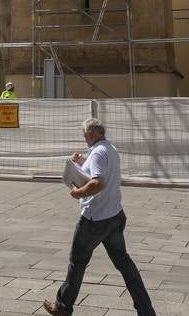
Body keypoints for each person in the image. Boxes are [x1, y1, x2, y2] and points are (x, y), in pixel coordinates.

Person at [44, 118, 156, 316]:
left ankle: (62, 307)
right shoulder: (110, 149)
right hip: (114, 215)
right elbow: (99, 171)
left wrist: (77, 193)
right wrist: (81, 163)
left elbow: (97, 183)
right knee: (124, 263)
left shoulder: (97, 153)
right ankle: (146, 311)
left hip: (95, 219)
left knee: (77, 263)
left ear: (93, 133)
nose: (84, 138)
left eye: (85, 134)